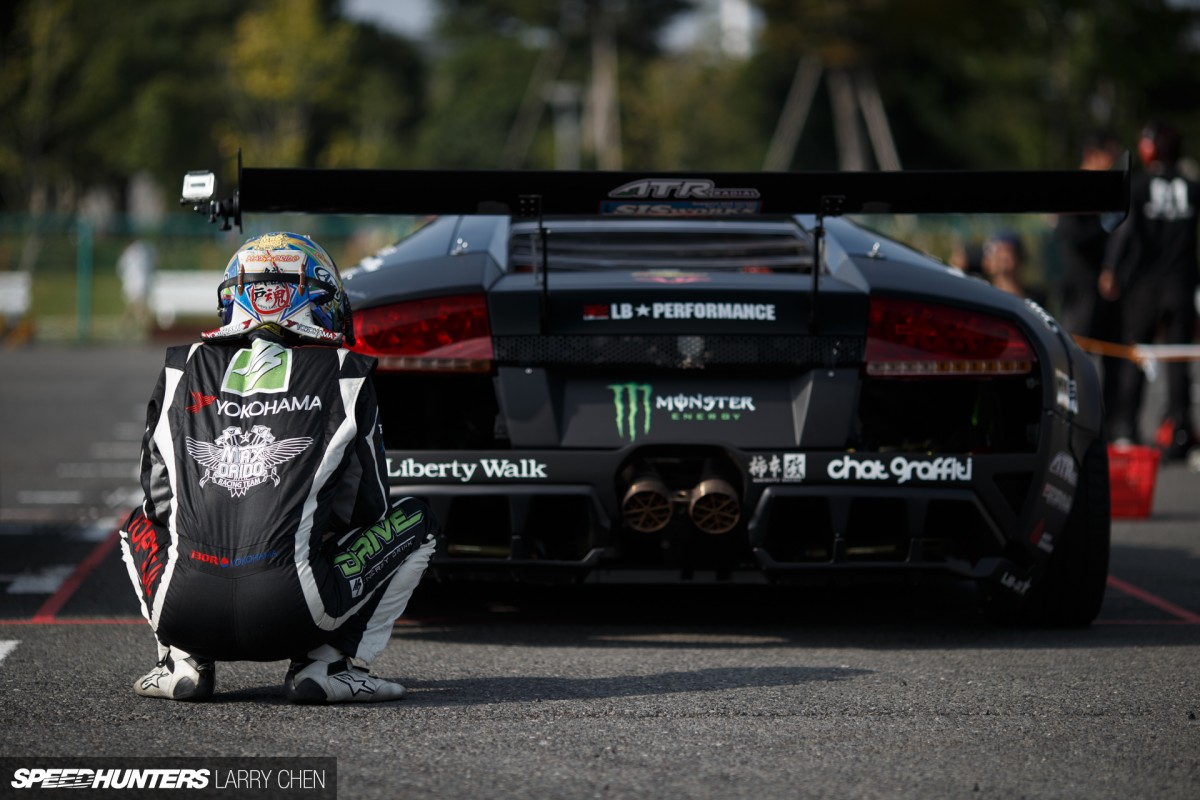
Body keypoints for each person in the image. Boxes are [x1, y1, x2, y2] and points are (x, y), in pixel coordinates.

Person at [119, 232, 440, 703]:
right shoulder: (346, 371)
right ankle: (328, 663)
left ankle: (180, 660)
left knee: (134, 525)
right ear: (315, 299)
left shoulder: (180, 366)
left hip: (184, 610)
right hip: (296, 610)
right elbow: (368, 510)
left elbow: (156, 501)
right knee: (416, 519)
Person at [1100, 121, 1199, 456]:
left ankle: (1127, 426)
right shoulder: (1192, 187)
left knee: (1137, 356)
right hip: (1181, 283)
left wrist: (1111, 268)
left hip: (1145, 284)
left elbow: (1124, 231)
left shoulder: (1139, 187)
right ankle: (1181, 429)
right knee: (1178, 360)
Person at [1054, 131, 1123, 432]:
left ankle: (1109, 423)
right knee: (1077, 355)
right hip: (1081, 283)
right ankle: (1071, 420)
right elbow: (1072, 235)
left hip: (1107, 284)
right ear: (1094, 156)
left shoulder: (1106, 190)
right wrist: (1105, 225)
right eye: (1111, 157)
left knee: (1113, 356)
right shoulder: (1076, 186)